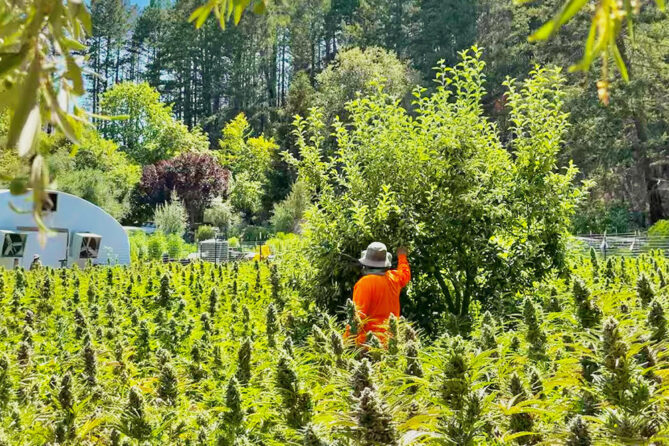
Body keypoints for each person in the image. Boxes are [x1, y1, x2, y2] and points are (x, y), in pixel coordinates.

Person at [348, 242, 411, 345]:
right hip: (392, 341)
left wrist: (346, 342)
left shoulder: (365, 283)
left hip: (369, 344)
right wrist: (402, 256)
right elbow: (405, 274)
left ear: (366, 264)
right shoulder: (393, 278)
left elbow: (357, 317)